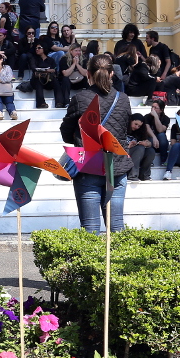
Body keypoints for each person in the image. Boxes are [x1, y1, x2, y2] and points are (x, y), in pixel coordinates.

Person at [60, 55, 132, 233]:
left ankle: (91, 262)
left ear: (88, 74)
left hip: (89, 166)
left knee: (90, 229)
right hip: (116, 166)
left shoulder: (80, 98)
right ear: (112, 74)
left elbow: (66, 133)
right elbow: (126, 130)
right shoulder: (123, 99)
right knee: (116, 227)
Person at [126, 112, 159, 181]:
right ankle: (132, 175)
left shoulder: (140, 131)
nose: (137, 127)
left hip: (136, 153)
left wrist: (148, 144)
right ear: (131, 120)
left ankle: (144, 175)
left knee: (150, 151)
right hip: (125, 151)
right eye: (135, 124)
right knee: (139, 148)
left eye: (139, 126)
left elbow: (147, 141)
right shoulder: (123, 128)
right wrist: (128, 146)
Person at [55, 43, 88, 109]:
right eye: (76, 51)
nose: (78, 53)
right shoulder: (64, 59)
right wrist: (73, 64)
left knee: (88, 79)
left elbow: (85, 73)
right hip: (69, 81)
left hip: (79, 80)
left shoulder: (84, 59)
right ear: (71, 51)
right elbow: (65, 74)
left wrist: (78, 64)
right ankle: (66, 102)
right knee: (65, 79)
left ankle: (88, 101)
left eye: (79, 51)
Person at [29, 41, 56, 109]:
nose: (37, 49)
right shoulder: (34, 59)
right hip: (36, 80)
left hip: (48, 80)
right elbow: (34, 68)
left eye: (39, 48)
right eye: (36, 48)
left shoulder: (51, 60)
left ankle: (60, 102)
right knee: (38, 80)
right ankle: (41, 103)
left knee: (56, 81)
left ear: (44, 49)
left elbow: (53, 70)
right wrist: (46, 70)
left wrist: (43, 70)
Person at [145, 97, 170, 165]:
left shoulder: (166, 119)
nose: (153, 109)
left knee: (161, 135)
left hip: (162, 144)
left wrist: (156, 117)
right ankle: (150, 161)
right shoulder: (147, 117)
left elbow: (160, 130)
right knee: (149, 138)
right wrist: (154, 137)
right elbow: (147, 128)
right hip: (151, 142)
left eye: (156, 108)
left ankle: (163, 161)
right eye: (152, 107)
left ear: (161, 110)